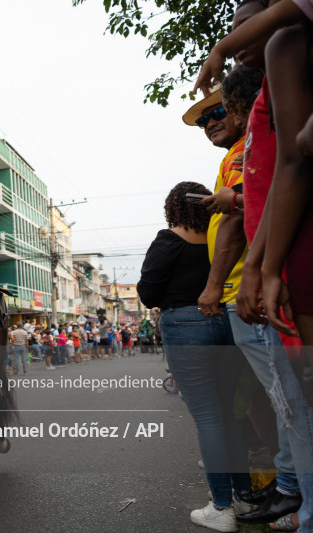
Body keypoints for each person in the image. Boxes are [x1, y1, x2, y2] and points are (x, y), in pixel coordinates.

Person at [187, 62, 310, 530]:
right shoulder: (236, 154)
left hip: (250, 290)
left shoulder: (251, 147)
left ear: (245, 109)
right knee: (283, 400)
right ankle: (288, 485)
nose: (210, 122)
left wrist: (219, 285)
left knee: (289, 401)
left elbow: (244, 217)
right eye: (202, 120)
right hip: (249, 287)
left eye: (218, 112)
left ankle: (296, 494)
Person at [139, 181, 252, 532]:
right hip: (226, 321)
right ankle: (245, 497)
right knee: (228, 414)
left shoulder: (169, 239)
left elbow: (147, 292)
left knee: (208, 418)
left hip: (186, 324)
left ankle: (221, 507)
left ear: (173, 208)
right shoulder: (222, 237)